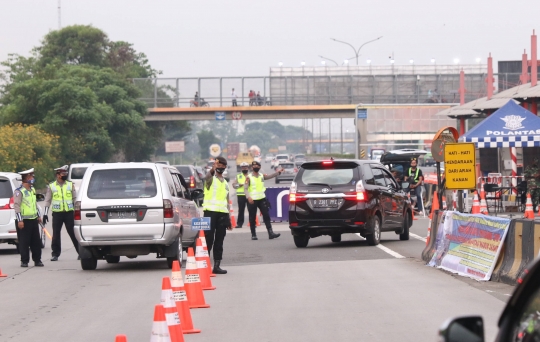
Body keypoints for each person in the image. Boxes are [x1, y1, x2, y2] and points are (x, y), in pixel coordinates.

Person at [202, 156, 233, 274]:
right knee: (208, 239)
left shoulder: (225, 183)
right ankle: (204, 265)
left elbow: (227, 201)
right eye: (218, 166)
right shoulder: (211, 179)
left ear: (225, 167)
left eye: (222, 166)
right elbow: (206, 178)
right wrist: (212, 169)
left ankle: (217, 265)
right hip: (210, 212)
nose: (220, 168)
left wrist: (228, 219)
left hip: (222, 215)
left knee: (219, 240)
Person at [43, 165, 79, 261]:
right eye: (63, 173)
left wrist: (77, 211)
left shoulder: (70, 185)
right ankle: (55, 254)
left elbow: (75, 199)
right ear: (58, 175)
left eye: (65, 173)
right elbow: (47, 200)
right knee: (56, 234)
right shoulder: (52, 186)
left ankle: (80, 252)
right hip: (57, 214)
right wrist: (45, 213)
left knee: (73, 233)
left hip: (69, 213)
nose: (65, 175)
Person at [244, 161, 283, 240]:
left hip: (262, 198)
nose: (255, 167)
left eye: (257, 166)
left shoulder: (261, 176)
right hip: (253, 200)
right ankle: (253, 234)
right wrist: (248, 197)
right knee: (252, 217)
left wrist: (278, 173)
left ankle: (270, 233)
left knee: (266, 216)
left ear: (260, 167)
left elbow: (269, 176)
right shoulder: (249, 177)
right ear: (252, 168)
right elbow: (245, 188)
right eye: (254, 166)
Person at [13, 168, 44, 267]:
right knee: (24, 242)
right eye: (31, 176)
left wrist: (38, 215)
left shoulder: (32, 190)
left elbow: (34, 204)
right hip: (24, 221)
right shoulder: (19, 191)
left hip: (33, 220)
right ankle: (24, 261)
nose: (33, 178)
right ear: (26, 178)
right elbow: (16, 206)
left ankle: (37, 260)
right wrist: (20, 220)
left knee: (36, 241)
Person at [232, 162, 249, 228]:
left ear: (248, 168)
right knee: (241, 210)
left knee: (251, 210)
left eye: (246, 167)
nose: (244, 168)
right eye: (243, 167)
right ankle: (239, 224)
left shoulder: (250, 176)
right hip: (241, 195)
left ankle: (252, 223)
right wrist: (239, 185)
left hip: (249, 195)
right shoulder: (238, 176)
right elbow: (234, 185)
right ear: (241, 168)